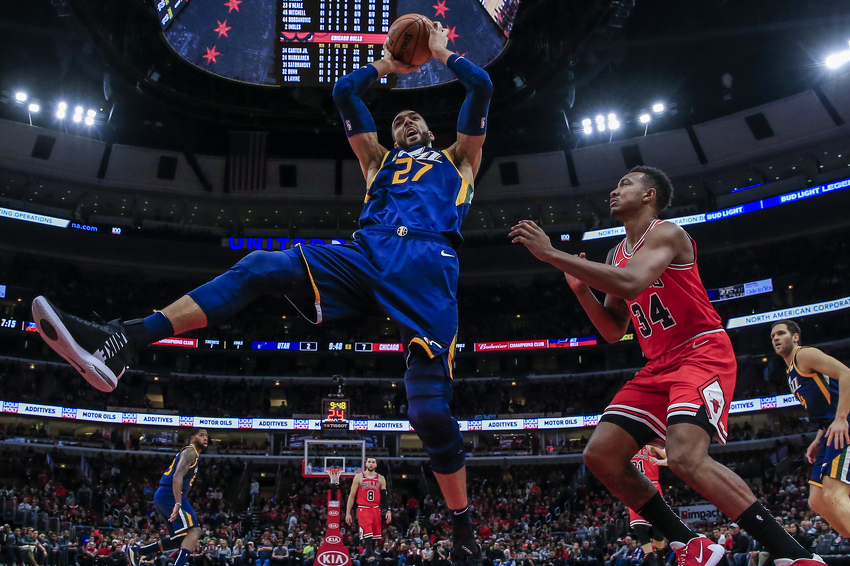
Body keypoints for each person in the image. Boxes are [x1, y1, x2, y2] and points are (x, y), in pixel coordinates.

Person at [31, 18, 491, 566]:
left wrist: (439, 55)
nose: (408, 120)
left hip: (427, 266)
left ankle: (463, 530)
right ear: (390, 137)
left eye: (416, 117)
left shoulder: (459, 161)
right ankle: (123, 341)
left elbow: (481, 88)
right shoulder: (378, 163)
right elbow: (345, 91)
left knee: (429, 413)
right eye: (400, 119)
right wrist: (387, 65)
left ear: (433, 133)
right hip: (365, 255)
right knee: (259, 266)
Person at [509, 166, 820, 566]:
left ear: (649, 194)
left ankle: (791, 553)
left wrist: (552, 254)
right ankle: (689, 541)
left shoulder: (666, 233)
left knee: (685, 456)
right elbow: (612, 330)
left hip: (700, 350)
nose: (614, 189)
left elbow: (630, 283)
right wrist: (583, 292)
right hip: (658, 363)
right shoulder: (614, 253)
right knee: (601, 455)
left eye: (625, 183)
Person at [771, 320, 850, 537]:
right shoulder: (790, 371)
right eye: (772, 336)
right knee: (817, 500)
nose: (775, 338)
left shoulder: (803, 355)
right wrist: (818, 438)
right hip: (829, 430)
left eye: (780, 333)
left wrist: (842, 418)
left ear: (795, 337)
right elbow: (826, 405)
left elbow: (847, 375)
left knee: (834, 492)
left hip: (845, 423)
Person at [125, 429, 208, 566]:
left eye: (206, 436)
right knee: (195, 530)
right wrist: (178, 503)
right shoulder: (190, 451)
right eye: (201, 435)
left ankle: (138, 551)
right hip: (169, 494)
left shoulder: (193, 454)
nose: (205, 438)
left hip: (165, 494)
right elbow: (177, 476)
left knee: (180, 539)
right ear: (192, 438)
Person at [346, 458, 392, 563]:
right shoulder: (359, 477)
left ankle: (365, 556)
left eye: (373, 462)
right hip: (363, 508)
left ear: (376, 465)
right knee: (368, 534)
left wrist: (388, 510)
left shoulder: (381, 478)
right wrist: (348, 513)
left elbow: (384, 497)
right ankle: (371, 557)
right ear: (365, 464)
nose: (371, 464)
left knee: (375, 537)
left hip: (376, 509)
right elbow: (352, 495)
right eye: (369, 462)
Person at [628, 446, 667, 566]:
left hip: (651, 485)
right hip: (633, 488)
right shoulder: (624, 445)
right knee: (638, 526)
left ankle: (660, 556)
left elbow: (670, 456)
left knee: (657, 526)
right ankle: (651, 561)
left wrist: (660, 461)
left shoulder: (650, 443)